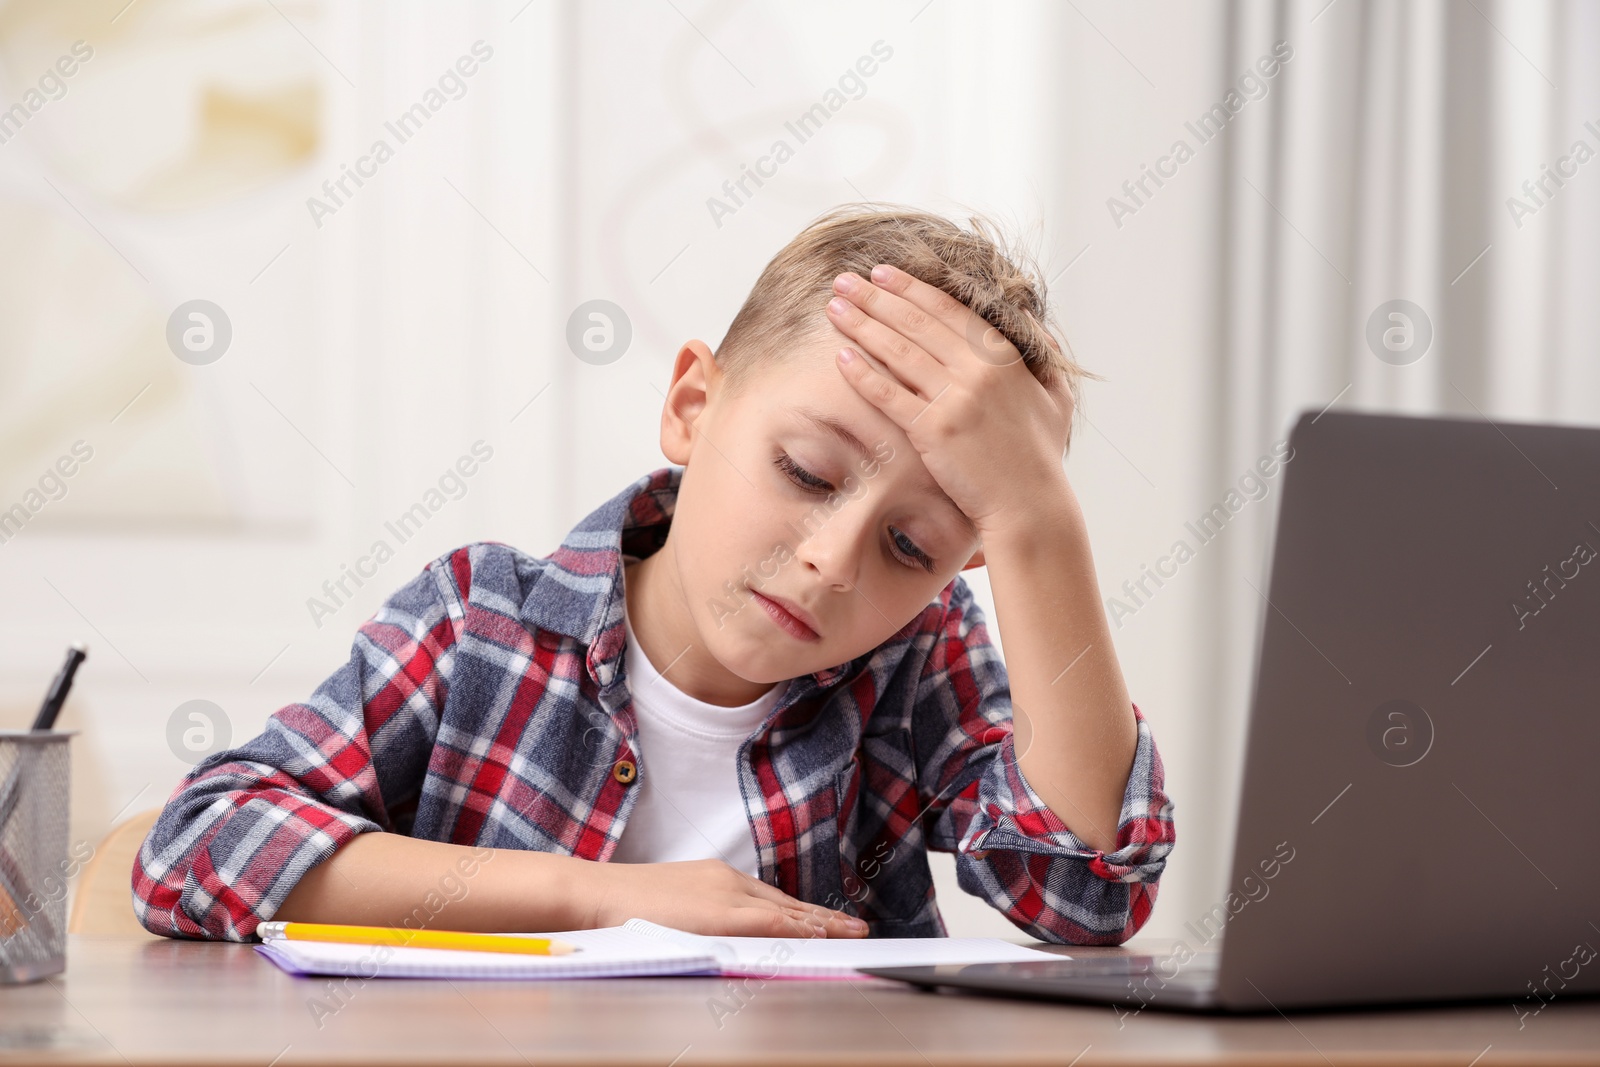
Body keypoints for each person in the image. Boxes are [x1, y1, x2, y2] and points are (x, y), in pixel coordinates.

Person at [133, 205, 1175, 944]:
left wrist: (1037, 520)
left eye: (912, 547)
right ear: (692, 404)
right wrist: (593, 897)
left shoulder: (917, 656)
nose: (829, 558)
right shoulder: (479, 623)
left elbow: (1084, 894)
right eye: (805, 470)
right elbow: (200, 841)